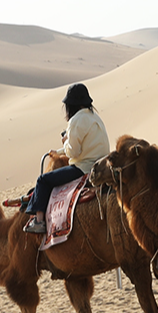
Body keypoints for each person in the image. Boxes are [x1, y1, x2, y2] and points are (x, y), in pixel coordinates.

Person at [23, 84, 110, 234]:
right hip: (101, 165)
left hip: (83, 168)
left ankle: (38, 221)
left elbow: (74, 152)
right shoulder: (94, 117)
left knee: (43, 181)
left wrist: (65, 142)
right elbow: (84, 144)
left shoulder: (76, 120)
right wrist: (57, 151)